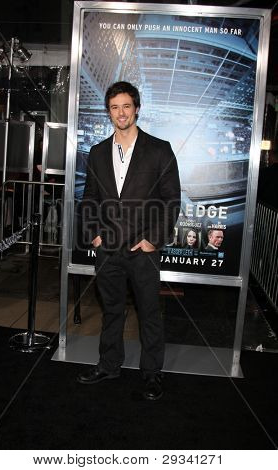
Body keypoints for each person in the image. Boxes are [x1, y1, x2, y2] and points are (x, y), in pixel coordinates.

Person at [77, 81, 181, 400]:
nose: (120, 113)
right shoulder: (96, 153)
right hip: (107, 248)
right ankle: (109, 364)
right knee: (111, 309)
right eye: (114, 107)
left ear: (136, 108)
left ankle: (152, 373)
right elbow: (90, 198)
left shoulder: (159, 149)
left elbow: (171, 200)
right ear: (108, 112)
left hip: (143, 250)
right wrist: (94, 235)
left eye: (126, 106)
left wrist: (153, 240)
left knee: (149, 312)